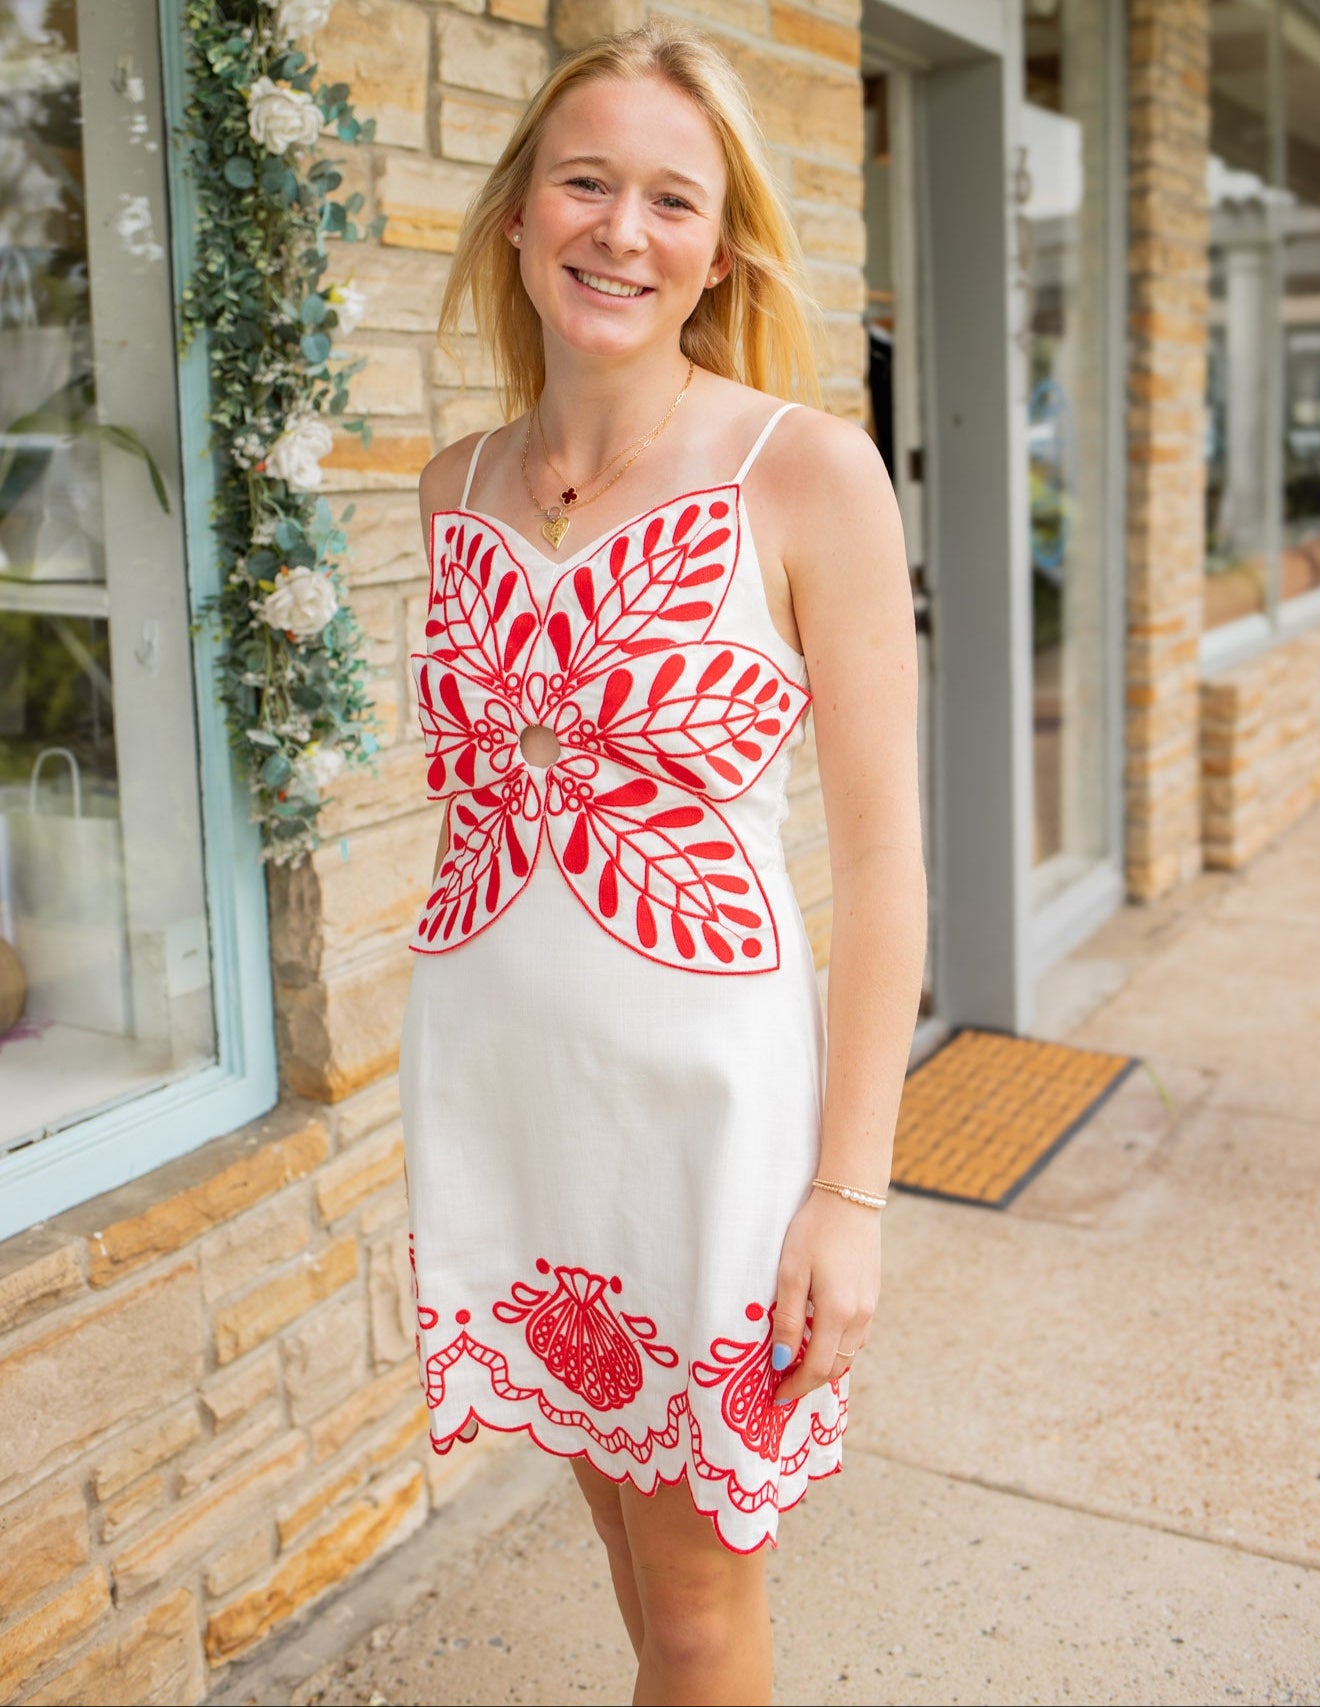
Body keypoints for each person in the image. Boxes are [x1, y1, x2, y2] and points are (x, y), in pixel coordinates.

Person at [399, 22, 925, 1706]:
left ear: (717, 249)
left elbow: (883, 861)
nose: (621, 230)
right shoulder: (449, 485)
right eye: (585, 181)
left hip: (712, 1137)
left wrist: (845, 1198)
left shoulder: (806, 475)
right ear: (518, 216)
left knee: (700, 1613)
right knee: (630, 1565)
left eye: (670, 199)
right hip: (507, 1107)